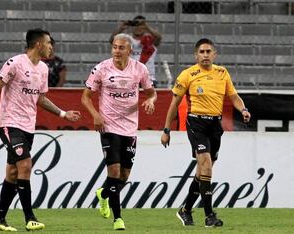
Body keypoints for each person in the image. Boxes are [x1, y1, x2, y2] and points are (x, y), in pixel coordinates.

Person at [0, 28, 81, 232]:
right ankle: (30, 218)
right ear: (38, 44)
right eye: (49, 43)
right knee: (25, 165)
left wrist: (63, 114)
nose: (51, 47)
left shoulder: (43, 69)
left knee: (12, 173)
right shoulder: (15, 63)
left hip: (28, 127)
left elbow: (41, 98)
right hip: (10, 124)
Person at [160, 38, 251, 227]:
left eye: (208, 51)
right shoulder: (188, 74)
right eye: (201, 52)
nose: (205, 55)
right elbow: (174, 104)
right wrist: (166, 129)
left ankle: (185, 210)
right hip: (196, 123)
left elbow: (233, 95)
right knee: (206, 165)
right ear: (196, 55)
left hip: (215, 126)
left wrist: (243, 109)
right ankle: (210, 216)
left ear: (214, 54)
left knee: (203, 171)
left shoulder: (222, 73)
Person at [81, 33, 157, 230]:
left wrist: (150, 100)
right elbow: (85, 97)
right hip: (108, 126)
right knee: (113, 171)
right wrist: (96, 115)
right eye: (114, 47)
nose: (116, 51)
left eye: (121, 48)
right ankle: (118, 219)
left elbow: (151, 92)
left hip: (130, 128)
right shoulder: (101, 68)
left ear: (129, 50)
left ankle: (103, 194)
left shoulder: (140, 69)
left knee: (124, 175)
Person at [109, 15, 162, 87]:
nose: (138, 27)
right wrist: (121, 28)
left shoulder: (150, 40)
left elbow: (158, 38)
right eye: (136, 25)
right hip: (129, 78)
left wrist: (147, 27)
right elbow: (112, 40)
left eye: (141, 25)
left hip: (148, 79)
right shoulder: (126, 39)